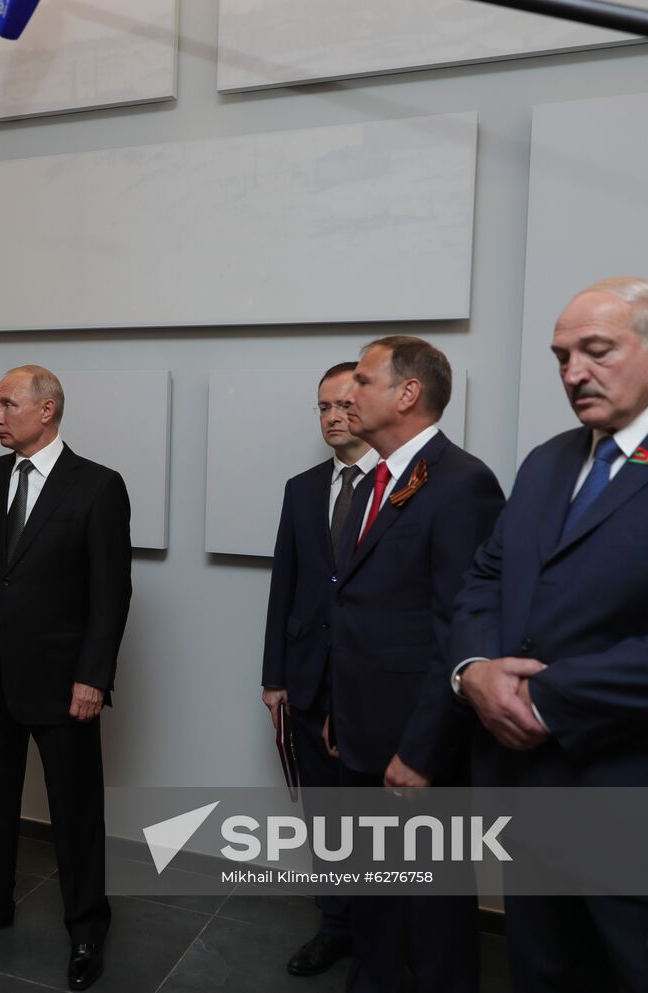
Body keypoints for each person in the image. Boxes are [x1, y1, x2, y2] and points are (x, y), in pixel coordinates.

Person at [450, 278, 648, 992]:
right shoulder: (547, 460)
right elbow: (484, 579)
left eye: (596, 351)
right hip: (529, 799)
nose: (573, 373)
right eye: (562, 357)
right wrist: (473, 670)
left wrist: (541, 699)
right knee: (539, 973)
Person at [0, 365, 133, 992]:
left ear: (47, 410)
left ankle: (87, 926)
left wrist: (93, 677)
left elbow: (111, 594)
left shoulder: (98, 485)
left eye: (7, 404)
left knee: (75, 809)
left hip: (64, 681)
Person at [332, 336, 504, 993]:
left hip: (419, 742)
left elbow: (463, 628)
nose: (348, 394)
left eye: (362, 380)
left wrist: (423, 750)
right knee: (372, 890)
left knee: (434, 909)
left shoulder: (462, 484)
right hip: (361, 728)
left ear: (407, 394)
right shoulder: (371, 481)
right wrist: (342, 712)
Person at [260, 361, 377, 977]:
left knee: (377, 821)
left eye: (344, 405)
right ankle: (335, 926)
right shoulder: (301, 488)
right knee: (326, 816)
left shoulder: (399, 485)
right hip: (306, 676)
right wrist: (273, 676)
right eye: (324, 407)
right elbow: (285, 582)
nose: (334, 417)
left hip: (373, 683)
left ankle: (383, 936)